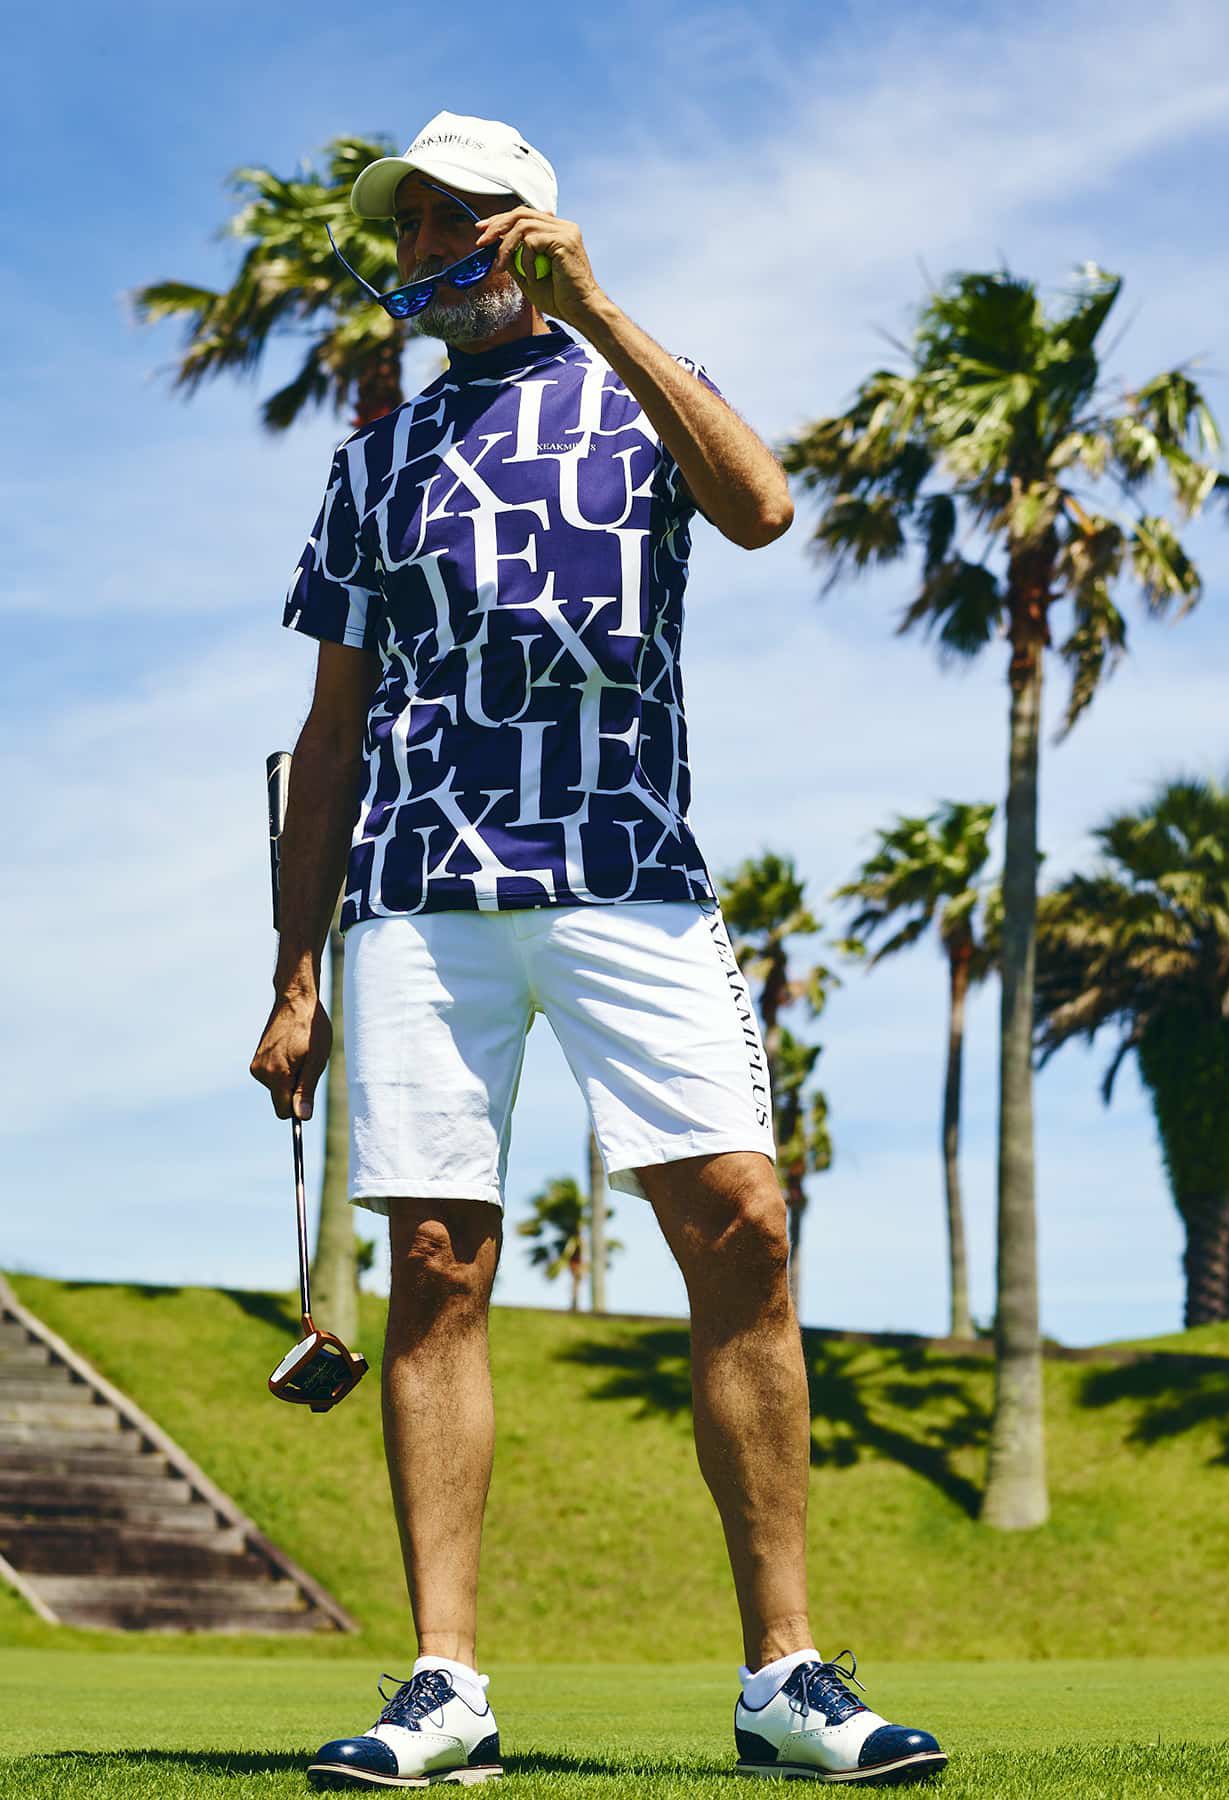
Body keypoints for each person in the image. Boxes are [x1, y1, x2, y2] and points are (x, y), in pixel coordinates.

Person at [250, 110, 946, 1790]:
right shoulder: (373, 463)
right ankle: (445, 1688)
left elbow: (763, 508)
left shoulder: (641, 391)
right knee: (438, 1261)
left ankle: (785, 1677)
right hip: (419, 893)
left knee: (745, 1226)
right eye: (409, 225)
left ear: (531, 230)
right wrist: (291, 973)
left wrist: (606, 309)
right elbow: (328, 738)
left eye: (459, 218)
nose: (426, 247)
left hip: (632, 874)